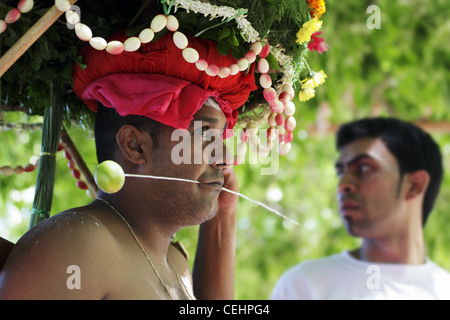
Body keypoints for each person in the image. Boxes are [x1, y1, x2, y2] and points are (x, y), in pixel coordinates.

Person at [271, 117, 450, 300]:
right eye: (341, 172)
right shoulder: (304, 286)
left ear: (414, 185)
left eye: (364, 168)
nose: (343, 184)